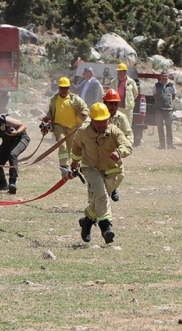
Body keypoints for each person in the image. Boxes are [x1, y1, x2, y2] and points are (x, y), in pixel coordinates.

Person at [71, 102, 132, 244]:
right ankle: (106, 228)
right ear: (92, 120)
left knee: (101, 199)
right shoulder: (83, 132)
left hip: (113, 171)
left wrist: (119, 152)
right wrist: (74, 163)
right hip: (91, 168)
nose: (101, 125)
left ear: (108, 119)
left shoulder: (115, 131)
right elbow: (76, 147)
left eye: (104, 121)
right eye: (98, 122)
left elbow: (127, 145)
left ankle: (87, 221)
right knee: (101, 195)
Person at [42, 77, 88, 168]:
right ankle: (64, 165)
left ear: (69, 88)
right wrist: (47, 118)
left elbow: (85, 107)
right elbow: (50, 112)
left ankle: (71, 165)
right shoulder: (54, 99)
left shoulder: (74, 99)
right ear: (59, 88)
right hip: (59, 126)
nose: (63, 90)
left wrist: (84, 112)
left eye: (65, 88)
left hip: (72, 127)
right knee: (62, 145)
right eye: (61, 88)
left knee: (71, 148)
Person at [103, 88, 133, 203]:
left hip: (115, 153)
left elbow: (129, 134)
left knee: (120, 175)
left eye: (115, 104)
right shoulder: (98, 116)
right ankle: (98, 202)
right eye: (110, 103)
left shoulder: (122, 118)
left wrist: (125, 147)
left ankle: (112, 189)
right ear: (105, 103)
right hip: (99, 152)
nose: (113, 107)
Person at [153, 70, 177, 149]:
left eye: (166, 76)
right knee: (160, 127)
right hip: (159, 109)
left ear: (168, 77)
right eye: (163, 76)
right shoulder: (156, 85)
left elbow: (173, 95)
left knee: (169, 127)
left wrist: (168, 102)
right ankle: (162, 144)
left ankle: (170, 144)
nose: (164, 78)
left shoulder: (171, 85)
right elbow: (154, 95)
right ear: (160, 77)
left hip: (168, 109)